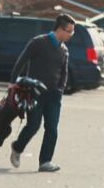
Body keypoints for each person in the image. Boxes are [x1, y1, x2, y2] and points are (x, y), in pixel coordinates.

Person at [8, 14, 75, 173]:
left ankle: (45, 161)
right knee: (33, 125)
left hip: (54, 95)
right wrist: (12, 82)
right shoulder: (39, 42)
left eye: (72, 32)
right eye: (69, 31)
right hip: (35, 93)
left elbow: (64, 72)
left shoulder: (64, 50)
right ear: (59, 29)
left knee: (52, 128)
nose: (71, 35)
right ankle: (17, 148)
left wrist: (61, 89)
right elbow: (21, 61)